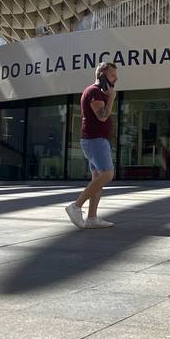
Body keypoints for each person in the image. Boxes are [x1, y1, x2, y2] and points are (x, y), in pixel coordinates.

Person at [66, 62, 117, 229]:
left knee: (98, 180)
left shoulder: (98, 93)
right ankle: (76, 206)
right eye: (112, 75)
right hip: (95, 140)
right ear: (102, 74)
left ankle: (92, 218)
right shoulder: (94, 91)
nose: (116, 78)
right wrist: (112, 98)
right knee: (108, 174)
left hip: (96, 140)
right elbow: (102, 116)